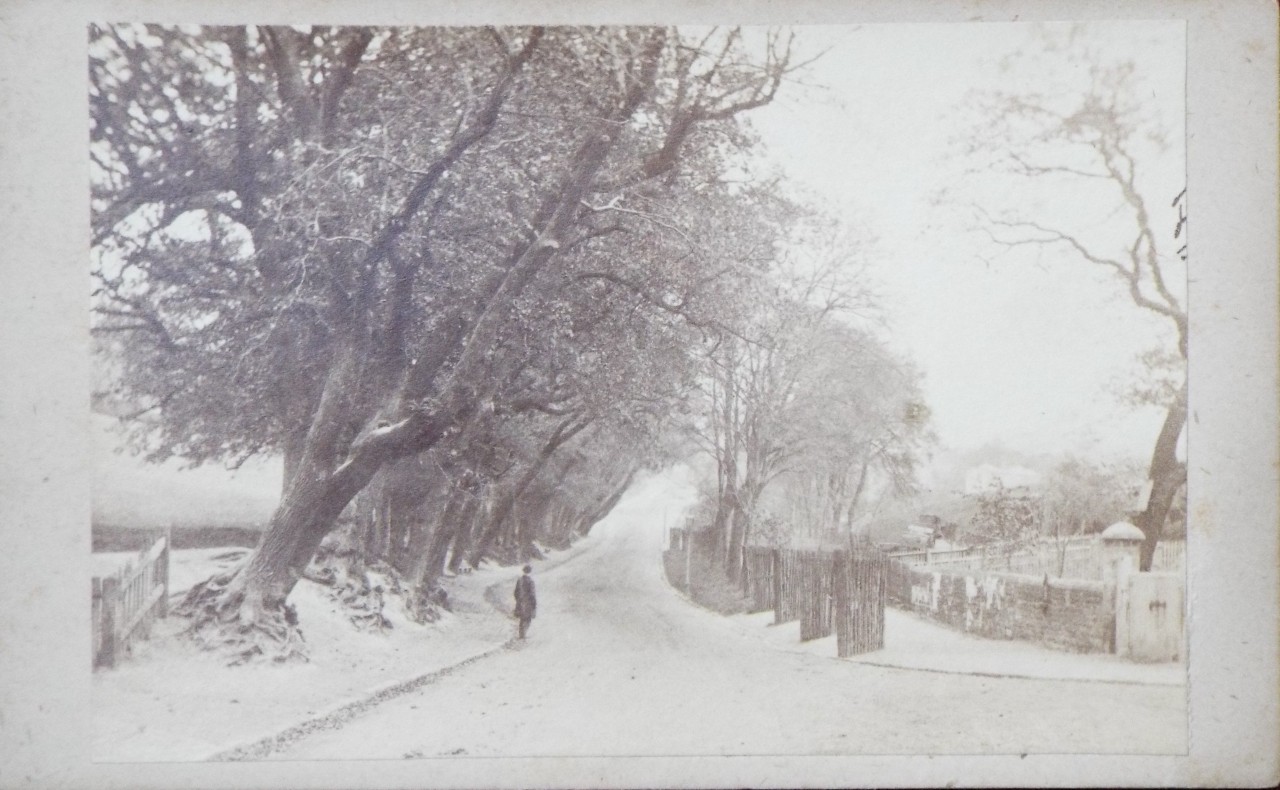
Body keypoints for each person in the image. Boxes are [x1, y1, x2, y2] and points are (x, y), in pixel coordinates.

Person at [513, 565, 537, 639]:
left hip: (520, 602)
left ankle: (521, 634)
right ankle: (523, 634)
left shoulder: (519, 580)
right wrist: (534, 603)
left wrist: (518, 600)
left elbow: (515, 592)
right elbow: (532, 593)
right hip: (528, 602)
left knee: (522, 618)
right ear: (530, 571)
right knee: (528, 618)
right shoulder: (530, 581)